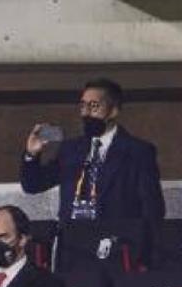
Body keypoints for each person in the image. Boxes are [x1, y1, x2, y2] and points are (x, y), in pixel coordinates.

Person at [20, 77, 165, 222]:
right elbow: (33, 185)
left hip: (115, 239)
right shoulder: (70, 149)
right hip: (72, 237)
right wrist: (32, 154)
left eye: (94, 106)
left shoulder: (138, 151)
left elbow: (153, 209)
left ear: (113, 111)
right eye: (83, 106)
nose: (86, 112)